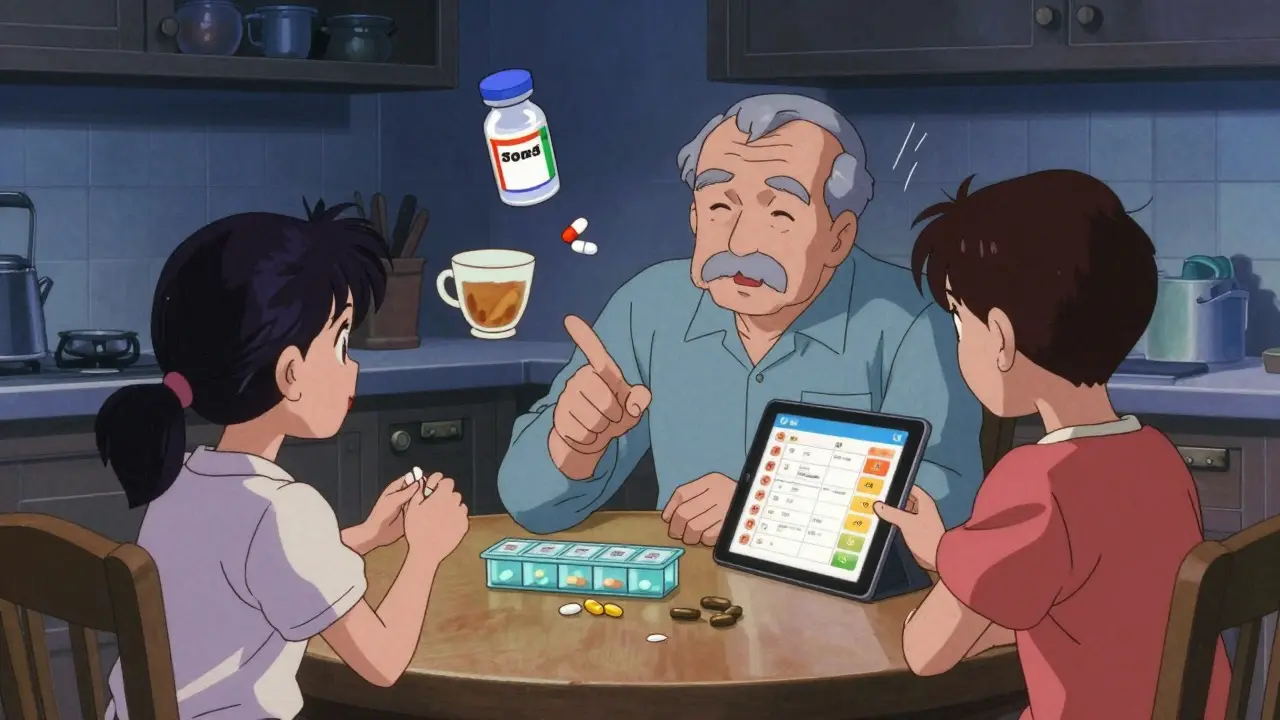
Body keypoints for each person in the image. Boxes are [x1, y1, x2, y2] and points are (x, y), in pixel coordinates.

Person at [498, 93, 984, 541]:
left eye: (780, 216)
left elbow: (945, 508)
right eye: (718, 206)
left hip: (840, 615)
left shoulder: (913, 318)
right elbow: (528, 504)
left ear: (839, 236)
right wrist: (573, 443)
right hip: (689, 607)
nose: (740, 243)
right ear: (693, 217)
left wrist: (764, 512)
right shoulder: (650, 305)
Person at [874, 170, 1230, 720]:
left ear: (1000, 336)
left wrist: (945, 553)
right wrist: (954, 558)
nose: (958, 340)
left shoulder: (1035, 481)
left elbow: (925, 653)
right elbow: (1085, 603)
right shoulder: (1155, 456)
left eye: (958, 320)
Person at [95, 207, 470, 720]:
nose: (354, 364)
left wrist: (365, 536)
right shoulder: (284, 509)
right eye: (340, 342)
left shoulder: (178, 480)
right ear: (291, 373)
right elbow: (383, 664)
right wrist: (424, 552)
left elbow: (253, 575)